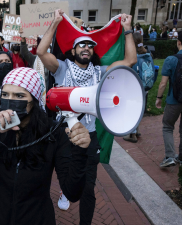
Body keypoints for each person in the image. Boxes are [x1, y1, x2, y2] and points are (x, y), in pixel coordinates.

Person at [37, 9, 137, 225]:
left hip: (89, 136)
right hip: (63, 135)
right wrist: (54, 23)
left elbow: (130, 60)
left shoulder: (101, 72)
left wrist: (127, 30)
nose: (86, 48)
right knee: (60, 178)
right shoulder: (62, 68)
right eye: (81, 44)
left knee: (88, 188)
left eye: (90, 45)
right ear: (73, 50)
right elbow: (41, 52)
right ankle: (65, 191)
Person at [0, 67, 91, 225]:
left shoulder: (54, 132)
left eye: (19, 95)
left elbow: (72, 192)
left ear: (34, 100)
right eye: (5, 95)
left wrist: (79, 151)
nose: (10, 100)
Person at [156, 30, 182, 167]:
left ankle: (169, 156)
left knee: (168, 126)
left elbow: (163, 83)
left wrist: (159, 98)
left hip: (174, 101)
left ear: (178, 42)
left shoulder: (171, 59)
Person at [123, 33, 155, 143]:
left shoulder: (132, 56)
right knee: (139, 109)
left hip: (134, 87)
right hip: (145, 87)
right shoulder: (147, 53)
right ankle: (137, 130)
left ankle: (132, 134)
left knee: (132, 110)